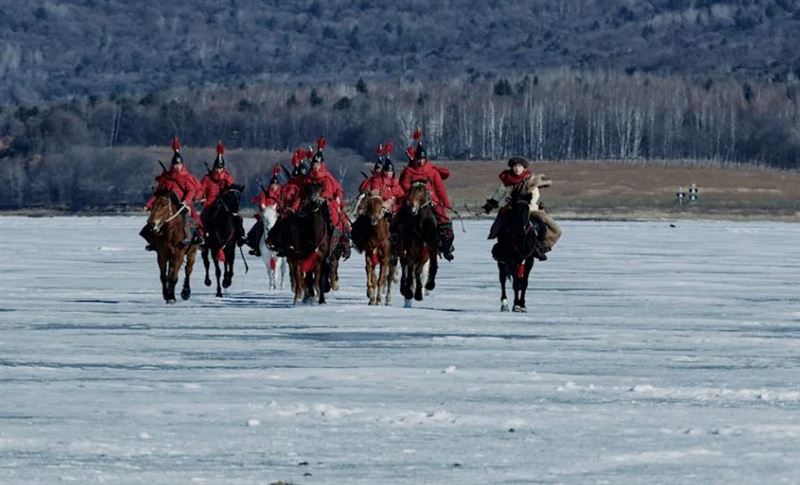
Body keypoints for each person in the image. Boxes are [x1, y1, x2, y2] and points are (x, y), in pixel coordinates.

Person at [482, 156, 561, 260]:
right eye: (514, 166)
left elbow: (535, 195)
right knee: (498, 226)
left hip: (530, 209)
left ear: (524, 168)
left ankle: (540, 247)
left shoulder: (531, 179)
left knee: (553, 229)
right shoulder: (506, 179)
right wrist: (491, 204)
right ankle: (499, 248)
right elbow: (499, 193)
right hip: (511, 209)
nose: (517, 168)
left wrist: (526, 205)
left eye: (519, 166)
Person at [397, 129, 455, 260]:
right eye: (418, 158)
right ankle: (397, 240)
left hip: (430, 200)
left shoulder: (433, 171)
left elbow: (440, 189)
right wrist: (413, 188)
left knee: (443, 219)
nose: (420, 161)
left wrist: (446, 204)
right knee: (399, 218)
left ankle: (446, 246)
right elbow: (403, 185)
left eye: (422, 158)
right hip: (413, 199)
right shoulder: (408, 171)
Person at [142, 137, 202, 250]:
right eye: (175, 165)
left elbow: (191, 191)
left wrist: (185, 201)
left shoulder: (186, 178)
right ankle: (153, 242)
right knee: (153, 219)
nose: (177, 167)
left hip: (181, 203)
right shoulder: (165, 178)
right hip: (165, 203)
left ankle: (193, 237)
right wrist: (149, 204)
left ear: (182, 165)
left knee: (189, 219)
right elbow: (157, 194)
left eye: (178, 165)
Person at [198, 141, 246, 246]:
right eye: (217, 168)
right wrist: (200, 197)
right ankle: (203, 236)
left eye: (221, 168)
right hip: (210, 203)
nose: (219, 171)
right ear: (214, 167)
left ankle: (240, 236)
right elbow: (201, 190)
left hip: (225, 203)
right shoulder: (207, 178)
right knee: (203, 217)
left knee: (237, 217)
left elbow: (232, 190)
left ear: (223, 168)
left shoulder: (228, 177)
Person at [246, 164, 283, 257]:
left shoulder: (281, 194)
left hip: (277, 216)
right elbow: (261, 203)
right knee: (258, 228)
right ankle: (256, 247)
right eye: (272, 184)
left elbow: (282, 204)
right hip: (266, 216)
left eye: (276, 184)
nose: (274, 186)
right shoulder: (264, 194)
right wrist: (264, 209)